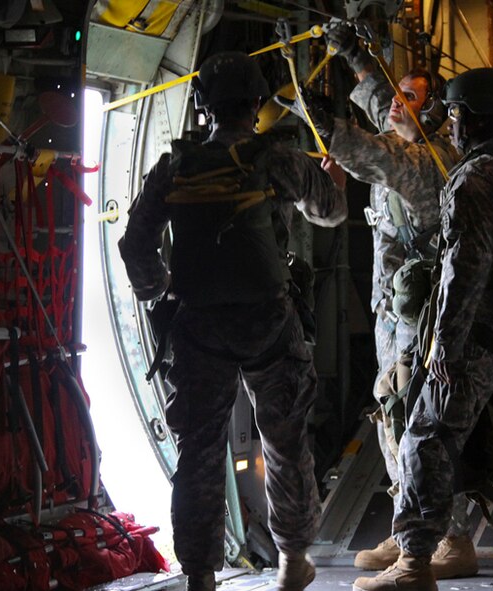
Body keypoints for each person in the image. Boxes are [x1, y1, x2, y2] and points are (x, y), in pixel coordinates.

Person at [117, 51, 347, 591]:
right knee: (286, 440)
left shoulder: (175, 166)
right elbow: (332, 211)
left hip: (199, 326)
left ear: (204, 105)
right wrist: (328, 183)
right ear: (257, 104)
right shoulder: (277, 159)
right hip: (269, 321)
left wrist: (160, 288)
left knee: (198, 449)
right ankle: (293, 562)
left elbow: (135, 244)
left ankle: (199, 573)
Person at [353, 68, 493, 591]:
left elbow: (463, 271)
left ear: (471, 117)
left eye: (455, 112)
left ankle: (414, 562)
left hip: (477, 337)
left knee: (425, 440)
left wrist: (444, 346)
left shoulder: (476, 176)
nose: (451, 123)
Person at [278, 22, 478, 578]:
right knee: (392, 417)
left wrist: (307, 103)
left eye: (409, 97)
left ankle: (452, 538)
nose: (393, 103)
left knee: (422, 424)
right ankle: (407, 526)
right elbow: (376, 99)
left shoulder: (421, 161)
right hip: (394, 311)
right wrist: (351, 52)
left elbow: (360, 146)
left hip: (424, 314)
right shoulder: (406, 136)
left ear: (433, 112)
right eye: (396, 94)